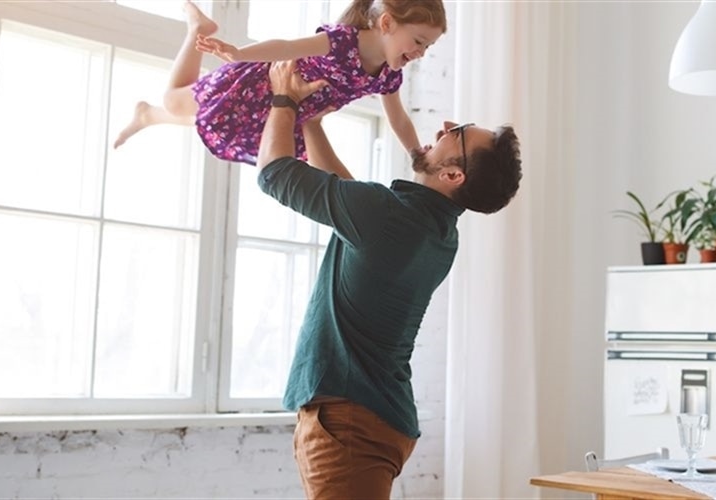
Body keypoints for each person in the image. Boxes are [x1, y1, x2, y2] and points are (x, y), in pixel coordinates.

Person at [256, 60, 521, 499]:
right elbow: (346, 194)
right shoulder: (436, 230)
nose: (446, 126)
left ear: (453, 175)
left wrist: (283, 98)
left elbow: (273, 172)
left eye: (457, 133)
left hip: (350, 421)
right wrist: (313, 124)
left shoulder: (392, 218)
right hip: (367, 417)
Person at [112, 0, 446, 165]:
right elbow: (287, 47)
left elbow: (398, 118)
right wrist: (240, 53)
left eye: (427, 46)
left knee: (192, 114)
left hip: (287, 112)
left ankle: (146, 115)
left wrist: (417, 154)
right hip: (257, 88)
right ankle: (196, 29)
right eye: (418, 41)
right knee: (176, 102)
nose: (420, 53)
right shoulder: (343, 42)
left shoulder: (389, 76)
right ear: (386, 23)